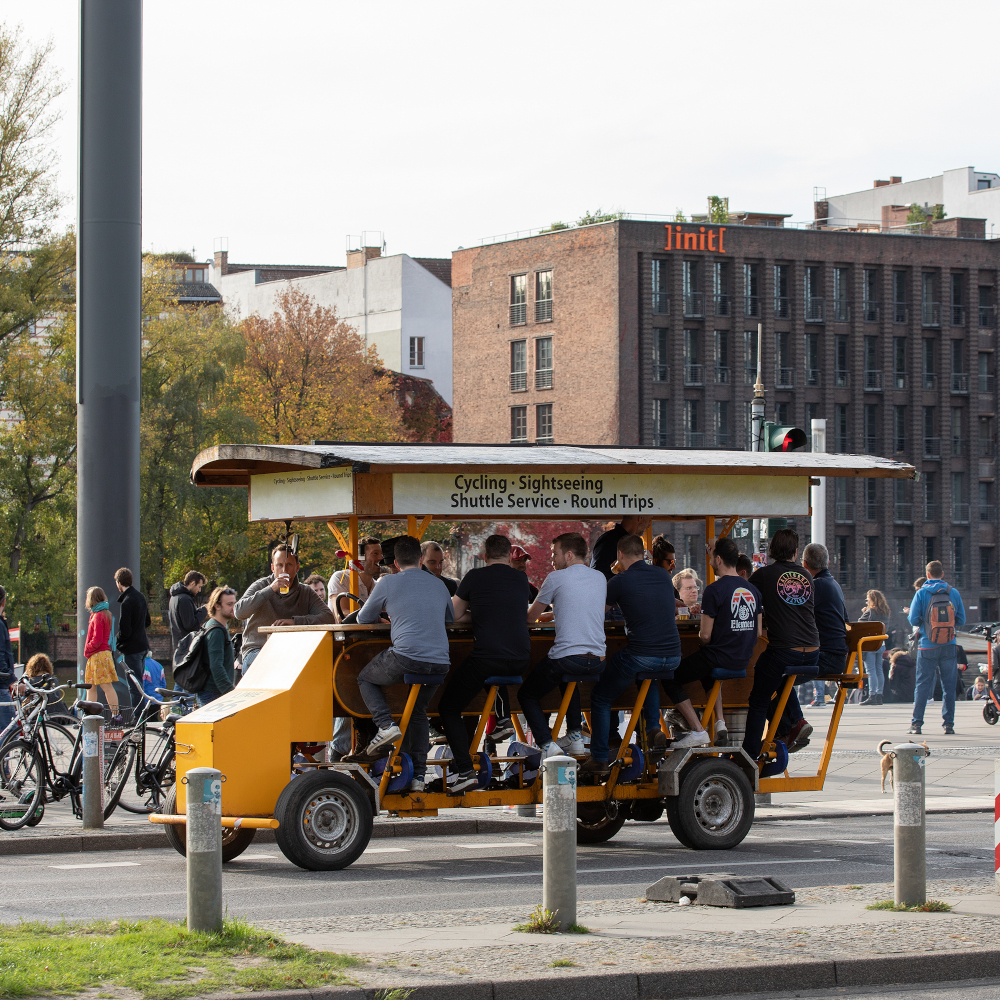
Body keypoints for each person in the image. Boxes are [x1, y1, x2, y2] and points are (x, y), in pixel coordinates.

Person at [352, 535, 453, 792]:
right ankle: (418, 777)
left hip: (406, 657)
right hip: (441, 662)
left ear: (395, 562)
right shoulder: (439, 584)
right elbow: (450, 619)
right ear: (421, 560)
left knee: (365, 677)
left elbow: (364, 619)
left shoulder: (387, 582)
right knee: (418, 712)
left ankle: (385, 725)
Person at [580, 533, 680, 777]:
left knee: (601, 697)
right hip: (673, 655)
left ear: (620, 555)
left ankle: (600, 758)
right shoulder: (662, 575)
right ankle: (654, 730)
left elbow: (597, 614)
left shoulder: (620, 581)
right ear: (644, 555)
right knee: (649, 678)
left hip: (642, 654)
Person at [439, 534, 530, 792]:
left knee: (449, 707)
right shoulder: (521, 579)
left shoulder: (474, 577)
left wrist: (478, 613)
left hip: (489, 659)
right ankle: (502, 720)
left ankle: (466, 771)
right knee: (494, 667)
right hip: (521, 659)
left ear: (484, 555)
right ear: (508, 555)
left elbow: (454, 614)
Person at [659, 536, 762, 750]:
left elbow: (705, 636)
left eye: (712, 557)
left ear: (719, 559)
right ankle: (720, 722)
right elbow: (758, 630)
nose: (710, 561)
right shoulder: (753, 591)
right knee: (707, 671)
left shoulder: (715, 590)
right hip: (742, 659)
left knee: (669, 677)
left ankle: (698, 731)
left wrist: (706, 643)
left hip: (719, 656)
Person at [520, 532, 606, 759]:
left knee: (526, 694)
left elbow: (530, 617)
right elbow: (580, 608)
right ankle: (575, 736)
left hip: (569, 657)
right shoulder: (599, 578)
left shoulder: (556, 578)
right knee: (568, 681)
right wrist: (555, 614)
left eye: (554, 554)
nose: (551, 559)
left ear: (568, 555)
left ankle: (547, 745)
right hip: (597, 659)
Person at [743, 529, 819, 761]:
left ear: (772, 551)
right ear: (796, 552)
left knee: (758, 698)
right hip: (813, 651)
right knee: (777, 680)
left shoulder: (765, 575)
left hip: (785, 650)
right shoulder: (806, 576)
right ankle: (794, 723)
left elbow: (744, 598)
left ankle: (749, 754)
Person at [235, 544, 336, 678]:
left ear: (297, 568)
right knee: (273, 666)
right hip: (258, 649)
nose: (284, 570)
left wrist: (295, 622)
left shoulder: (305, 591)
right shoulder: (261, 586)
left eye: (289, 565)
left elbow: (328, 618)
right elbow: (239, 612)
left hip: (292, 652)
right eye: (279, 565)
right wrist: (271, 589)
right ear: (272, 568)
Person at [908, 561, 966, 736]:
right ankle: (948, 725)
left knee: (922, 685)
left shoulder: (921, 593)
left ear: (927, 575)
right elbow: (961, 620)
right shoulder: (953, 592)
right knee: (949, 686)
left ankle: (917, 724)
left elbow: (913, 619)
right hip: (949, 645)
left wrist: (926, 625)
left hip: (927, 646)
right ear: (942, 574)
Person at [115, 567, 151, 714]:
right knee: (139, 685)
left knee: (134, 687)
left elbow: (125, 630)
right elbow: (147, 621)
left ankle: (138, 719)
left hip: (132, 649)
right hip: (143, 647)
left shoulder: (127, 602)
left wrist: (118, 641)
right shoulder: (140, 597)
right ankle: (141, 717)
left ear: (119, 583)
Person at [84, 586, 121, 722]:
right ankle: (91, 716)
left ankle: (115, 715)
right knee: (92, 686)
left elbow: (97, 639)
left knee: (104, 686)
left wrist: (87, 648)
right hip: (102, 654)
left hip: (98, 655)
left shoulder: (98, 615)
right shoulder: (105, 613)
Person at [200, 587, 237, 706]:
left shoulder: (217, 626)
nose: (233, 608)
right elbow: (216, 666)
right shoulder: (216, 631)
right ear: (217, 606)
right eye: (229, 604)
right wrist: (230, 693)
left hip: (215, 692)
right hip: (213, 694)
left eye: (234, 603)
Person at [328, 537, 382, 619]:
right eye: (375, 553)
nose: (381, 558)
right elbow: (342, 616)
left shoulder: (379, 586)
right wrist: (377, 619)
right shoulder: (341, 578)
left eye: (381, 554)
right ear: (360, 557)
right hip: (343, 632)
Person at [859, 589, 891, 705]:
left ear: (872, 599)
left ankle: (872, 695)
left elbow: (860, 624)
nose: (866, 602)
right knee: (879, 670)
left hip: (870, 644)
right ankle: (879, 695)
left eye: (867, 599)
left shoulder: (870, 611)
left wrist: (864, 611)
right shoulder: (885, 611)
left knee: (870, 670)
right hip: (881, 643)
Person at [167, 571, 207, 651]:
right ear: (192, 583)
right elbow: (190, 624)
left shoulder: (175, 597)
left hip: (178, 644)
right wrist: (204, 610)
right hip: (187, 646)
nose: (199, 590)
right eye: (199, 587)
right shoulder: (185, 599)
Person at [0, 586, 14, 735]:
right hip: (1, 685)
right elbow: (0, 655)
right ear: (3, 602)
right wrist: (11, 680)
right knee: (11, 732)